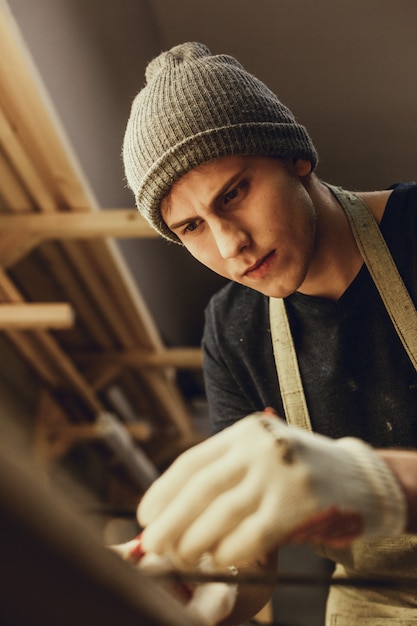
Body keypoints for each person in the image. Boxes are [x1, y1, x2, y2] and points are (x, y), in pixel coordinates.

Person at [121, 42, 417, 624]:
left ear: (294, 157)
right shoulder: (231, 332)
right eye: (192, 227)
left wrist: (377, 483)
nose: (230, 245)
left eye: (233, 194)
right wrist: (205, 589)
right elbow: (256, 566)